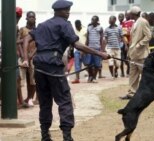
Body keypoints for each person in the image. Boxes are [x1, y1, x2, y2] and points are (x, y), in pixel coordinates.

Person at [21, 1, 110, 141]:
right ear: (58, 11)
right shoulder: (64, 24)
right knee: (65, 101)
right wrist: (100, 54)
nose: (68, 12)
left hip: (39, 67)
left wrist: (26, 59)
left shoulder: (43, 25)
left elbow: (27, 38)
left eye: (69, 9)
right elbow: (77, 44)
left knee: (44, 102)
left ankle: (45, 136)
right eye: (65, 10)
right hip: (53, 66)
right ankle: (67, 137)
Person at [120, 6, 151, 99]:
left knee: (145, 74)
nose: (129, 14)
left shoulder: (143, 21)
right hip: (133, 53)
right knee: (133, 74)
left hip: (141, 54)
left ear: (133, 14)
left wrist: (139, 44)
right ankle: (131, 93)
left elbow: (148, 36)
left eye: (130, 13)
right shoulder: (135, 22)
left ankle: (148, 92)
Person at [18, 11, 37, 107]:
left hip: (33, 57)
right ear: (26, 18)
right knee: (20, 79)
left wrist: (31, 55)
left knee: (32, 80)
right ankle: (21, 99)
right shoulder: (22, 30)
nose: (32, 19)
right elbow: (18, 43)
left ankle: (30, 98)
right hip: (23, 57)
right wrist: (23, 55)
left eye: (33, 17)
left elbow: (38, 45)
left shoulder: (37, 30)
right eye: (30, 17)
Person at [85, 15, 105, 83]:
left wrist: (102, 50)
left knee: (97, 64)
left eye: (94, 20)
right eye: (92, 19)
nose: (92, 21)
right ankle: (90, 76)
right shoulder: (89, 28)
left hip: (97, 49)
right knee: (88, 64)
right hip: (89, 48)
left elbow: (101, 39)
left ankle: (94, 77)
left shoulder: (100, 28)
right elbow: (87, 39)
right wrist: (85, 48)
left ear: (97, 21)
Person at [119, 11, 134, 77]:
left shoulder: (133, 22)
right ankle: (122, 73)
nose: (126, 16)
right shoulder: (123, 23)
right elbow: (122, 33)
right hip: (123, 43)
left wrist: (127, 32)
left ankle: (128, 70)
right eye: (126, 15)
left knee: (128, 58)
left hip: (130, 43)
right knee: (122, 58)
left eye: (127, 15)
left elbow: (130, 32)